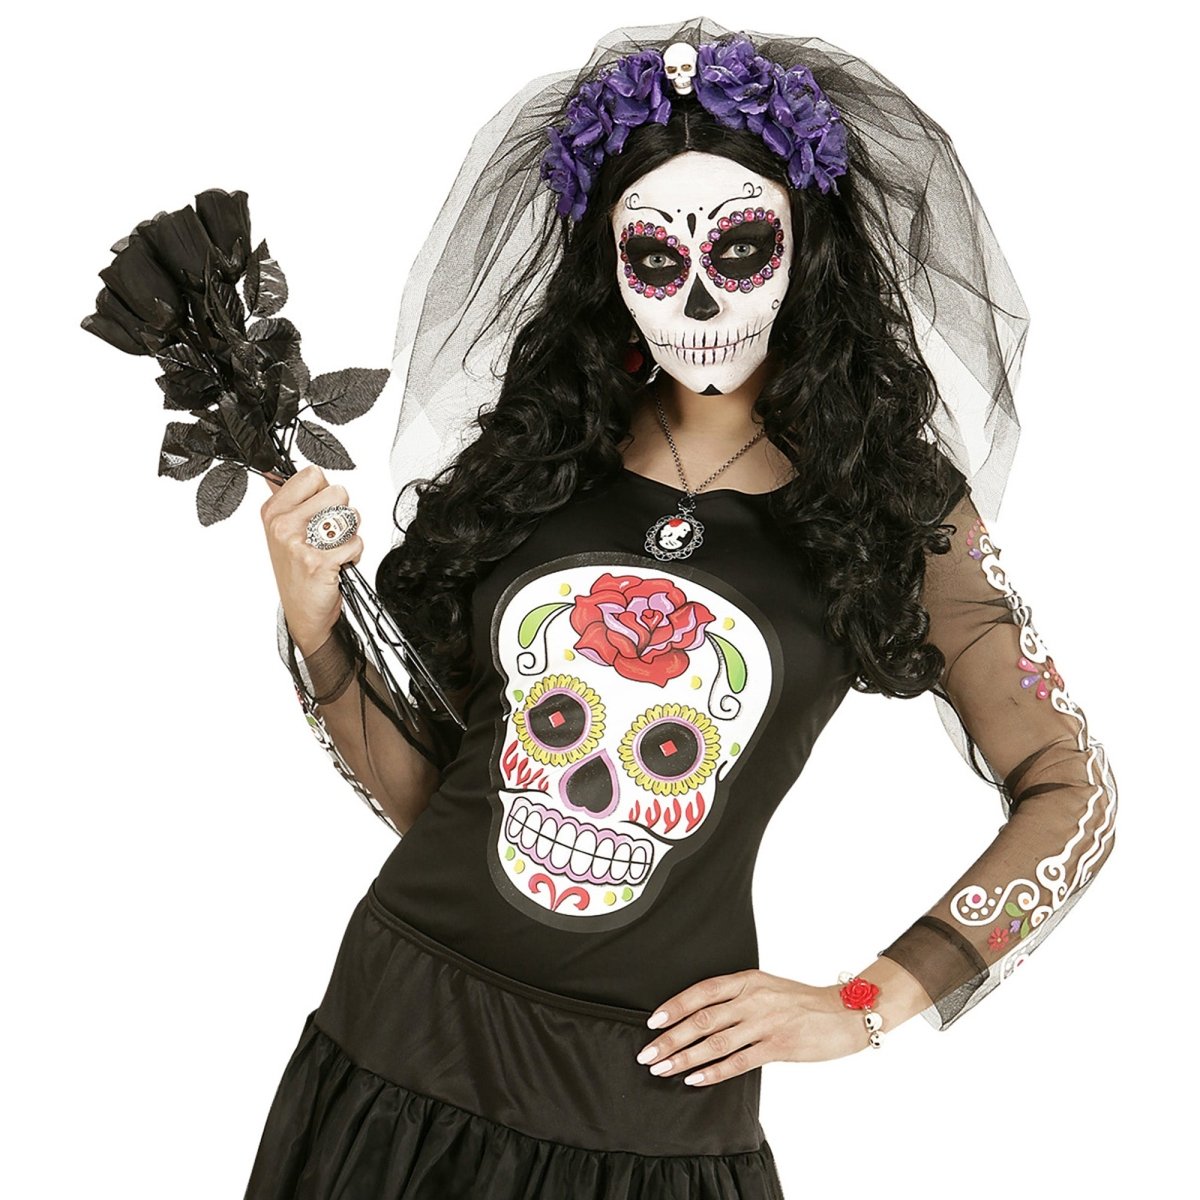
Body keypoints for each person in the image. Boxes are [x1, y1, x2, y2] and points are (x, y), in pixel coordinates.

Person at [245, 19, 1118, 1199]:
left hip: (651, 1093)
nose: (699, 297)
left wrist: (865, 1003)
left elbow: (1075, 795)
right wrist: (314, 628)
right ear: (607, 265)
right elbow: (440, 800)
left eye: (742, 246)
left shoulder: (893, 507)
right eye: (655, 256)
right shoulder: (540, 456)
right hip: (395, 1030)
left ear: (808, 245)